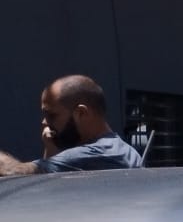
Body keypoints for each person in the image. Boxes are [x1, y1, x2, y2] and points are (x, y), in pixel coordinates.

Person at [0, 75, 144, 175]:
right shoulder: (120, 150)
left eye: (52, 115)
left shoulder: (99, 153)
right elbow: (46, 182)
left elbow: (12, 172)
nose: (44, 122)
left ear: (81, 113)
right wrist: (51, 147)